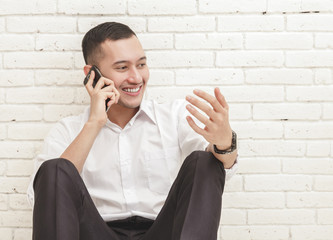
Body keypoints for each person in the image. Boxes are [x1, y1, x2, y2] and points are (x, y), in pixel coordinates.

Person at [27, 22, 238, 240]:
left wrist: (224, 143)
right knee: (55, 169)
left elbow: (218, 172)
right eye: (122, 68)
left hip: (165, 231)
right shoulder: (67, 130)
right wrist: (95, 123)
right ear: (92, 75)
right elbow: (42, 201)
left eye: (141, 65)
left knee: (204, 161)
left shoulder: (174, 117)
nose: (136, 78)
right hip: (95, 232)